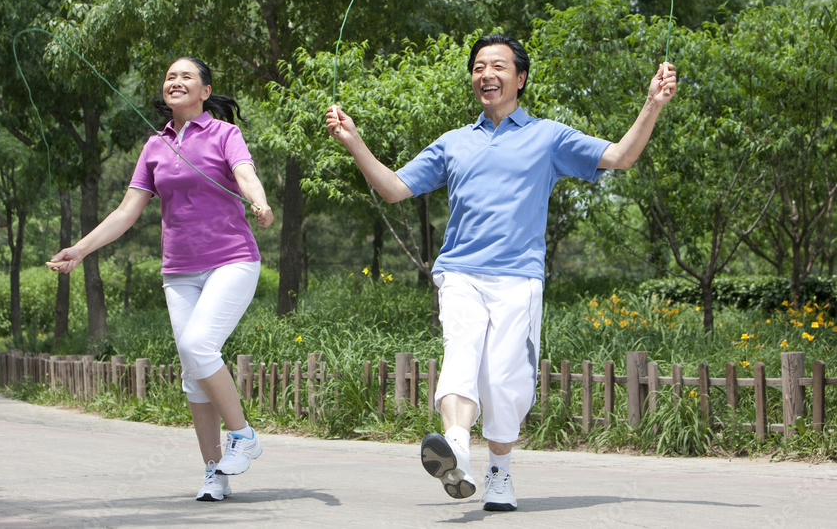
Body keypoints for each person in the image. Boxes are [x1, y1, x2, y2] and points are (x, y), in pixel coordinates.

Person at [325, 33, 676, 512]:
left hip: (518, 279)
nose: (485, 74)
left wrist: (652, 104)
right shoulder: (453, 143)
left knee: (504, 380)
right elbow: (393, 188)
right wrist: (354, 141)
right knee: (461, 353)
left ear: (520, 78)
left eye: (498, 66)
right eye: (477, 67)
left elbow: (620, 156)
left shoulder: (548, 136)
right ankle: (455, 446)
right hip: (461, 273)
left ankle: (499, 471)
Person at [49, 56, 274, 503]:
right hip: (179, 272)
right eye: (170, 77)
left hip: (232, 260)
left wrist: (260, 202)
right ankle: (215, 472)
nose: (176, 81)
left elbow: (246, 174)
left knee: (198, 347)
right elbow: (126, 211)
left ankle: (244, 435)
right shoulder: (156, 145)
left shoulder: (225, 134)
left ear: (205, 91)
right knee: (194, 374)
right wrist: (80, 249)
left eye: (186, 76)